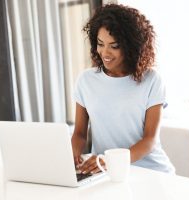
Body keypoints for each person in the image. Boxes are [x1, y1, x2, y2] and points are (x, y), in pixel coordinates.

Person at [71, 3, 175, 175]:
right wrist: (73, 153)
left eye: (114, 46)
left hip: (150, 171)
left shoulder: (151, 81)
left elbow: (149, 140)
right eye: (100, 43)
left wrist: (112, 161)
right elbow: (80, 134)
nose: (105, 52)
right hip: (105, 172)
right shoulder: (86, 81)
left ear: (130, 46)